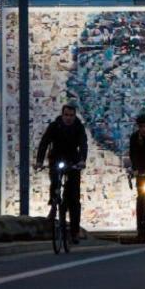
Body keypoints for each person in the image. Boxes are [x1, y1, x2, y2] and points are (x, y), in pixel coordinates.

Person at [36, 104, 88, 244]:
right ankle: (53, 203)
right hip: (56, 158)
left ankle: (75, 232)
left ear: (75, 115)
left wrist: (82, 160)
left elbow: (83, 143)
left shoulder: (79, 127)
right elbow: (44, 142)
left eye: (71, 115)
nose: (69, 118)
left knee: (74, 198)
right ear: (62, 114)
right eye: (66, 115)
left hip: (73, 161)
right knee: (55, 181)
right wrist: (39, 161)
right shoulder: (55, 126)